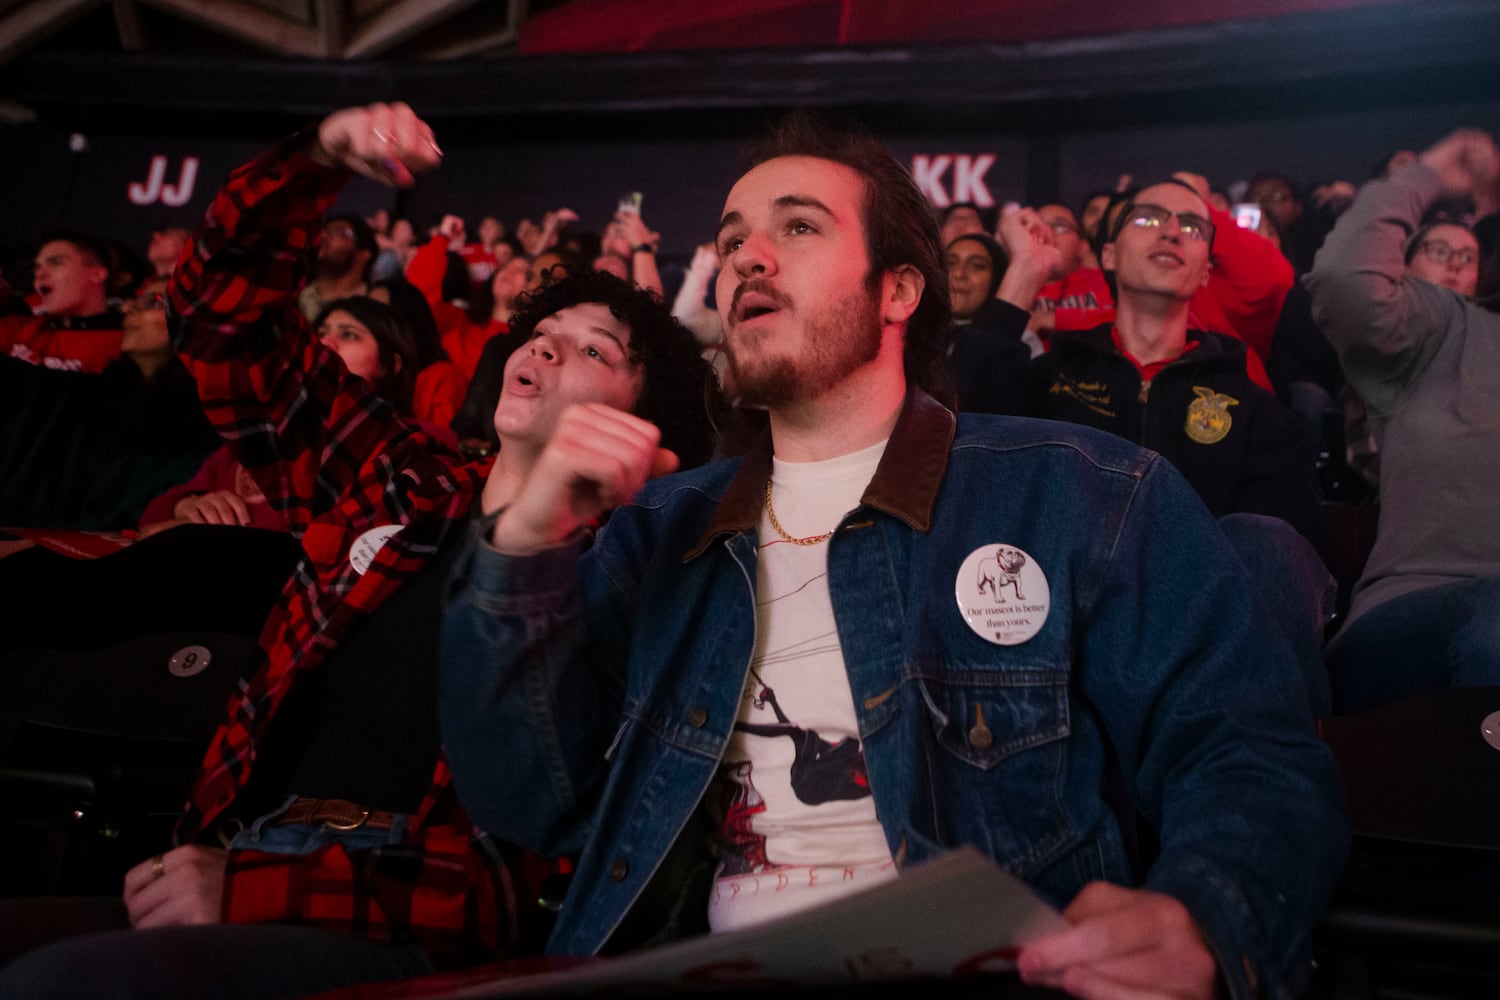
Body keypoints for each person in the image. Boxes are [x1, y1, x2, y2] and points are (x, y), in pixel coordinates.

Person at [439, 116, 1347, 1000]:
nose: (746, 258)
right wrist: (521, 552)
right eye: (731, 240)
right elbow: (528, 801)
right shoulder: (656, 527)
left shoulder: (1080, 493)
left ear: (899, 291)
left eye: (797, 227)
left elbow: (1248, 750)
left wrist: (1206, 916)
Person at [0, 101, 721, 1000]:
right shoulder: (394, 478)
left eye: (590, 348)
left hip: (396, 921)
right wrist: (313, 157)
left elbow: (530, 873)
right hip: (221, 859)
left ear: (640, 422)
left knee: (56, 986)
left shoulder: (627, 569)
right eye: (538, 335)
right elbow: (224, 330)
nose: (541, 349)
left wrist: (258, 891)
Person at [1306, 127, 1500, 713]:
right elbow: (1345, 282)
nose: (1455, 266)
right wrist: (1428, 173)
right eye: (1441, 252)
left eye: (1467, 256)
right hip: (1421, 601)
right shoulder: (1445, 329)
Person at [1, 232, 122, 373]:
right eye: (37, 267)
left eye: (55, 262)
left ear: (96, 274)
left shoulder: (124, 346)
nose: (40, 273)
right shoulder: (16, 328)